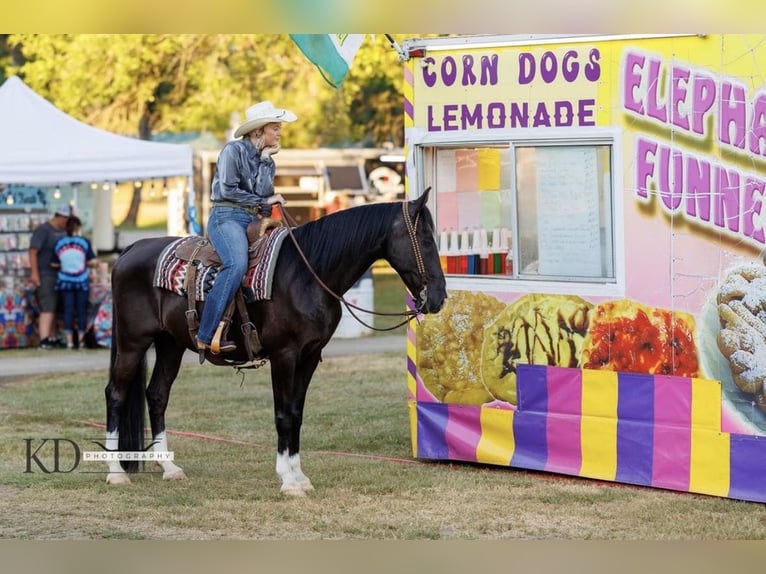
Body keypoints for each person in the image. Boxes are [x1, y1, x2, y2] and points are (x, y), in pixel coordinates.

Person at [196, 100, 296, 355]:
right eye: (275, 127)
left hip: (252, 219)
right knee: (237, 263)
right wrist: (264, 201)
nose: (279, 132)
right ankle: (205, 333)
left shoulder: (268, 161)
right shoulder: (232, 151)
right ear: (258, 131)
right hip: (225, 216)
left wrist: (264, 162)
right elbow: (228, 189)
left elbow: (264, 196)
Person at [52, 215, 99, 349]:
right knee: (81, 311)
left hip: (64, 281)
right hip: (81, 280)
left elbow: (54, 263)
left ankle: (69, 342)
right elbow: (92, 261)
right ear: (78, 227)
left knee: (67, 310)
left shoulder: (59, 243)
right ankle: (81, 341)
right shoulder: (84, 242)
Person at [28, 205, 68, 349]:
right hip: (45, 274)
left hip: (61, 274)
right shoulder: (43, 230)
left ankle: (52, 337)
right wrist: (34, 273)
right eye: (66, 219)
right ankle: (44, 338)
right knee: (47, 306)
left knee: (56, 307)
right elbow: (33, 251)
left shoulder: (63, 231)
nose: (66, 222)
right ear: (60, 216)